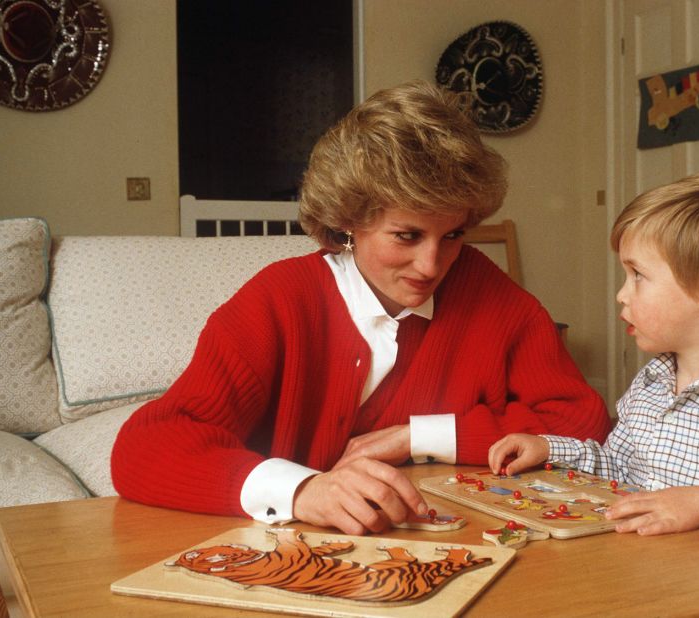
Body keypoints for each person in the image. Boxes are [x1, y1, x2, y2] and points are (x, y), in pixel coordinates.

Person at [111, 81, 611, 535]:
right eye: (407, 236)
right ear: (349, 220)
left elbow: (583, 422)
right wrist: (304, 490)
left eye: (453, 234)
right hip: (280, 555)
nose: (432, 263)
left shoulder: (484, 289)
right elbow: (145, 448)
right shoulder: (280, 300)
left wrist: (417, 436)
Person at [488, 171, 699, 547]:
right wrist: (550, 448)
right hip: (648, 569)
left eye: (638, 275)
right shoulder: (649, 384)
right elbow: (618, 468)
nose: (622, 295)